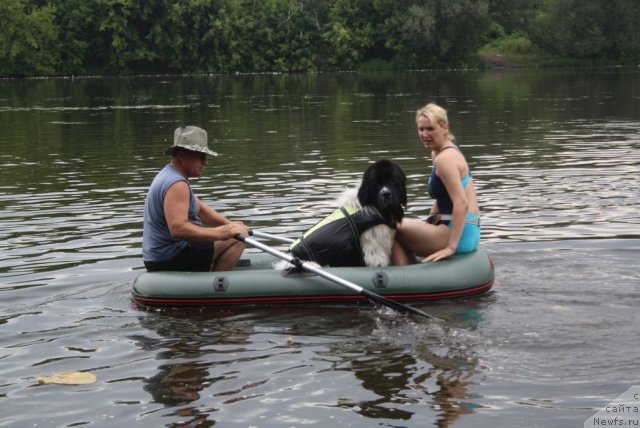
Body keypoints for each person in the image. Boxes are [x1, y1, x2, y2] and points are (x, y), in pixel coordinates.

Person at [142, 125, 249, 272]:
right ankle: (216, 288)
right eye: (200, 156)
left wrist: (230, 225)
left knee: (239, 230)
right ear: (181, 155)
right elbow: (178, 229)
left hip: (161, 256)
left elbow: (201, 210)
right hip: (170, 258)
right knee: (240, 237)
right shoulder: (177, 184)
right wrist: (222, 233)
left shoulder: (171, 175)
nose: (205, 162)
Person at [392, 103, 480, 264]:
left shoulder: (445, 159)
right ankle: (411, 272)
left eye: (430, 129)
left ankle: (405, 277)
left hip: (457, 234)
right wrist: (427, 225)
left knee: (389, 225)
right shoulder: (439, 153)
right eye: (421, 129)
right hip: (459, 228)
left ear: (445, 127)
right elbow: (441, 198)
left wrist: (451, 247)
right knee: (396, 230)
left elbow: (462, 204)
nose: (424, 134)